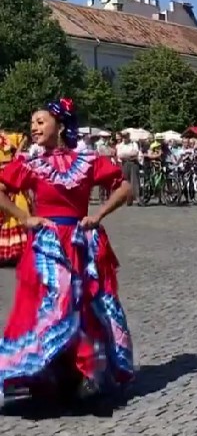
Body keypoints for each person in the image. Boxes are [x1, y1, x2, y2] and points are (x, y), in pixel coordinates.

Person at [0, 98, 134, 404]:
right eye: (32, 122)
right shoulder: (29, 164)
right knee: (49, 304)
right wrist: (25, 217)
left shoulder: (86, 161)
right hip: (48, 243)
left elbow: (124, 187)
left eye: (41, 121)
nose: (34, 128)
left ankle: (87, 373)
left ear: (60, 126)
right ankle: (39, 372)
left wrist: (99, 214)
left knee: (86, 305)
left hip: (81, 240)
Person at [0, 131, 30, 265]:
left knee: (14, 212)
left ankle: (15, 252)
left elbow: (24, 137)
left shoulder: (7, 137)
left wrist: (17, 154)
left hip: (9, 174)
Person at [115, 131, 140, 206]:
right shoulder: (120, 145)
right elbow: (120, 155)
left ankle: (137, 198)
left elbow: (135, 152)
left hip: (133, 163)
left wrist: (127, 155)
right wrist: (129, 154)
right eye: (124, 137)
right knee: (126, 182)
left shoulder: (133, 144)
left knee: (135, 181)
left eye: (126, 136)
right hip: (125, 163)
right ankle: (128, 199)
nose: (125, 138)